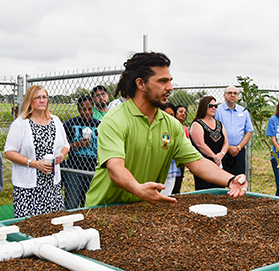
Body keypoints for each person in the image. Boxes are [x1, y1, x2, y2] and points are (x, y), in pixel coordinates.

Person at [85, 52, 248, 207]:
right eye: (162, 81)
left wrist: (231, 179)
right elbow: (115, 168)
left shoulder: (171, 125)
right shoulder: (115, 120)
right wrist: (138, 189)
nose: (170, 87)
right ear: (141, 83)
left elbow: (197, 162)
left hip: (144, 208)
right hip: (104, 209)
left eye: (170, 80)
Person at [4, 85, 69, 218]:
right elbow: (9, 152)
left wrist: (62, 154)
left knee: (53, 224)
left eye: (44, 97)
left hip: (52, 185)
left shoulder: (55, 121)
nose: (42, 100)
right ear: (30, 101)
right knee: (29, 227)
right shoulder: (20, 124)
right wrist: (34, 163)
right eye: (37, 97)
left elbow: (65, 145)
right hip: (28, 188)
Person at [62, 95, 100, 209]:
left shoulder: (99, 125)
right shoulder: (70, 124)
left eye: (89, 109)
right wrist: (77, 145)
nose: (87, 112)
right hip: (74, 169)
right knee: (71, 204)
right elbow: (61, 147)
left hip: (93, 171)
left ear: (93, 108)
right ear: (79, 109)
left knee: (89, 204)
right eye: (84, 109)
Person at [190, 96, 229, 190]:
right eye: (210, 105)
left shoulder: (219, 124)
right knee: (204, 192)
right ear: (204, 107)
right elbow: (200, 144)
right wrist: (214, 156)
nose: (214, 108)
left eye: (216, 106)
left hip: (219, 163)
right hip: (203, 164)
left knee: (220, 190)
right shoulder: (197, 124)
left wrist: (221, 154)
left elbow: (226, 142)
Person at [215, 85, 254, 175]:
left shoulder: (243, 111)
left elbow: (249, 131)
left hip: (239, 152)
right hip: (222, 151)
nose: (232, 95)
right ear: (224, 95)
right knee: (221, 179)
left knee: (239, 180)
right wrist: (228, 147)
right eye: (229, 93)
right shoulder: (218, 111)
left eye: (235, 93)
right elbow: (216, 131)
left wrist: (238, 147)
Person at [160, 102, 181, 195]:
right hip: (158, 165)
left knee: (168, 189)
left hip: (171, 166)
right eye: (166, 114)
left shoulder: (176, 128)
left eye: (172, 115)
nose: (169, 117)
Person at [172, 104, 189, 194]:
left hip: (180, 160)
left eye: (185, 113)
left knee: (177, 184)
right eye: (181, 112)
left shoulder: (185, 129)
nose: (183, 114)